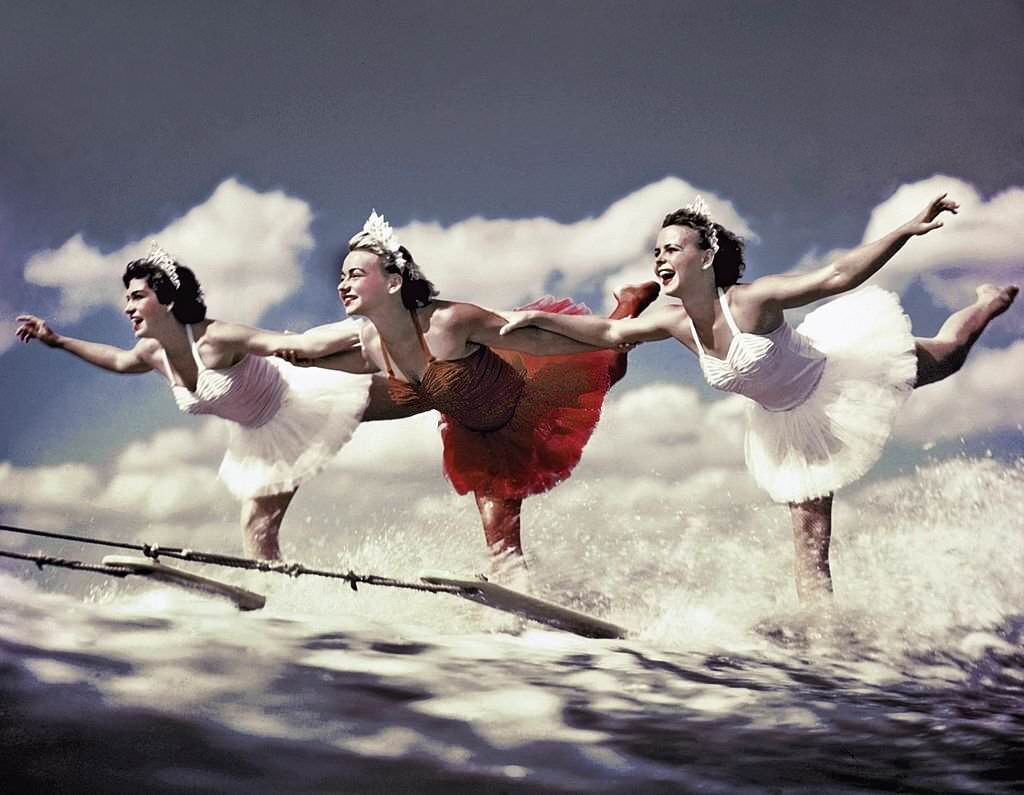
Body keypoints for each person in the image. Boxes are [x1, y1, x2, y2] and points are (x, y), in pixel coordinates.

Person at [499, 194, 1018, 601]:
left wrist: (905, 230)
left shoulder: (752, 301)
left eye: (672, 248)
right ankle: (826, 647)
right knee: (811, 546)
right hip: (790, 427)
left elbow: (837, 275)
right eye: (656, 250)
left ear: (707, 257)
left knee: (949, 354)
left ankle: (987, 302)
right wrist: (539, 318)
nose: (660, 256)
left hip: (840, 379)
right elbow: (608, 334)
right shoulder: (673, 323)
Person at [276, 211, 658, 566]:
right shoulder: (376, 343)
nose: (342, 285)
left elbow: (530, 335)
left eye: (355, 274)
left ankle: (628, 305)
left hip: (526, 398)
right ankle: (516, 606)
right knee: (502, 549)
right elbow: (348, 364)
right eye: (342, 277)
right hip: (478, 440)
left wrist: (611, 337)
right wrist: (295, 357)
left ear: (394, 281)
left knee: (609, 364)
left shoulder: (450, 321)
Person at [16, 242, 390, 560]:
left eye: (137, 297)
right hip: (265, 434)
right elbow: (117, 360)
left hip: (301, 394)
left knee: (420, 396)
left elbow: (299, 345)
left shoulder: (215, 337)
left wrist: (383, 327)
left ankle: (431, 358)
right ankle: (276, 599)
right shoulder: (151, 352)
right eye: (127, 299)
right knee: (257, 528)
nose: (127, 307)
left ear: (166, 300)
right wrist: (58, 340)